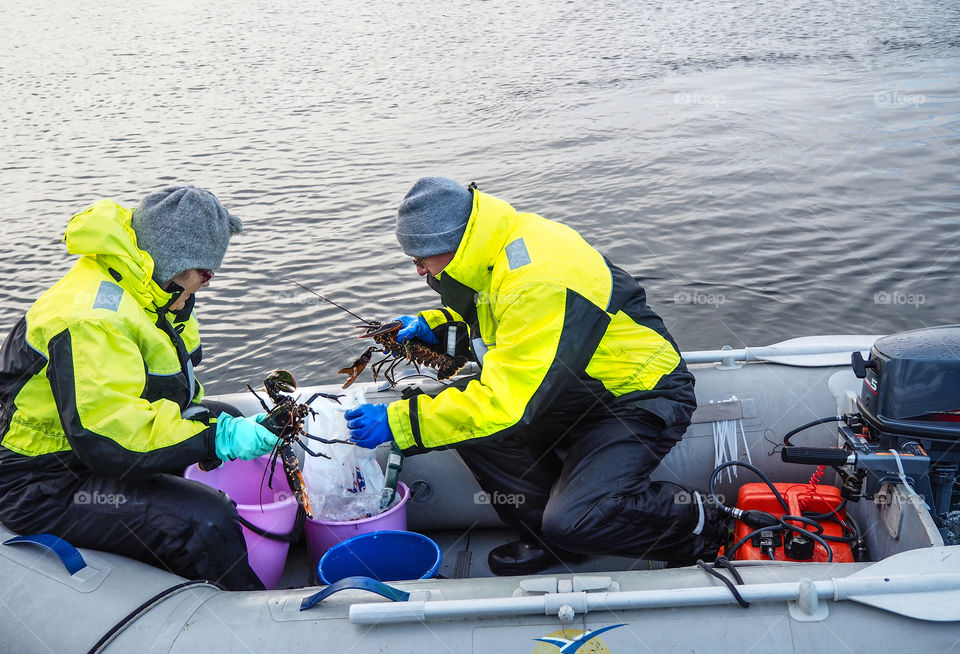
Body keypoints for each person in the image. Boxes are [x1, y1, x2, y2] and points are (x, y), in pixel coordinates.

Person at [346, 177, 726, 575]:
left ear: (454, 242)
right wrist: (437, 328)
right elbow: (508, 328)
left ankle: (705, 524)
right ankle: (553, 542)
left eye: (421, 257)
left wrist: (398, 423)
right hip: (575, 388)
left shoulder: (537, 277)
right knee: (468, 423)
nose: (418, 268)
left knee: (572, 515)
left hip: (635, 394)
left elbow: (507, 401)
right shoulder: (495, 247)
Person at [0, 186, 279, 590]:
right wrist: (214, 440)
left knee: (227, 419)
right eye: (205, 272)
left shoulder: (150, 291)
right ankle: (249, 614)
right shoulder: (93, 319)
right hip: (43, 484)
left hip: (84, 455)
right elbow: (108, 438)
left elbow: (163, 390)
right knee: (206, 518)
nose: (208, 282)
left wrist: (218, 426)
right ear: (177, 262)